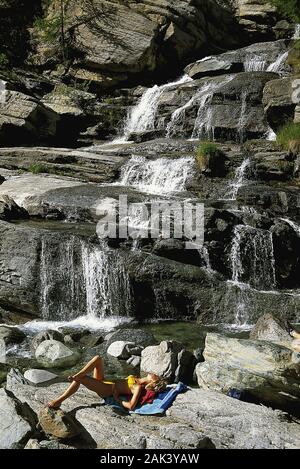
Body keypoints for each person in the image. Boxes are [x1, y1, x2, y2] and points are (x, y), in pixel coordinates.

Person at [47, 355, 167, 411]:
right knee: (98, 358)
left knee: (81, 379)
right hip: (105, 381)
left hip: (108, 390)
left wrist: (117, 399)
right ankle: (78, 375)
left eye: (155, 376)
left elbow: (131, 406)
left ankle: (59, 401)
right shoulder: (136, 378)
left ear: (152, 381)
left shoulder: (138, 388)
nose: (154, 373)